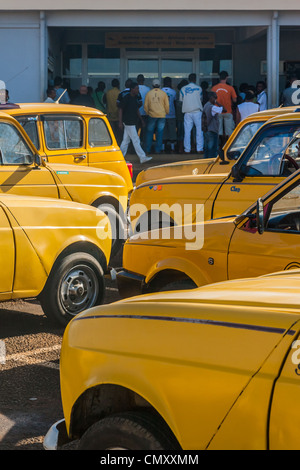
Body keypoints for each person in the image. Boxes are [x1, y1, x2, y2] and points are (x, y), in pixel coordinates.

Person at [119, 81, 152, 164]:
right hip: (128, 121)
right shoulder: (126, 98)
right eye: (137, 88)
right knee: (136, 140)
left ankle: (120, 158)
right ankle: (142, 157)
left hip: (131, 121)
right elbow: (120, 109)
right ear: (132, 89)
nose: (138, 90)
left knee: (125, 141)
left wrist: (141, 119)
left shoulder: (135, 97)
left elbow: (137, 109)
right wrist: (120, 122)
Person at [179, 73, 204, 154]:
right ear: (195, 79)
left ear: (189, 79)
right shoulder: (199, 88)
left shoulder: (183, 89)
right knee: (199, 131)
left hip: (187, 112)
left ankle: (187, 149)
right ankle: (199, 149)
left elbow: (181, 100)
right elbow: (201, 99)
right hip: (197, 112)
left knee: (187, 132)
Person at [144, 79, 169, 154]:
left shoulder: (149, 93)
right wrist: (166, 112)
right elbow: (167, 105)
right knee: (160, 133)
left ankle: (148, 149)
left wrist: (148, 113)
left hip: (152, 115)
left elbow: (145, 105)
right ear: (159, 85)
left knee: (149, 133)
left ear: (152, 85)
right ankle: (158, 150)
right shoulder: (163, 93)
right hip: (161, 115)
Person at [212, 71, 237, 145]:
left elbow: (211, 99)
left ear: (219, 77)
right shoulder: (230, 88)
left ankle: (218, 147)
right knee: (229, 132)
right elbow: (235, 100)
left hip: (217, 111)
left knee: (218, 131)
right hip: (228, 111)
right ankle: (228, 147)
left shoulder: (214, 88)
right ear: (227, 77)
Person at [202, 91, 224, 159]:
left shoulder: (206, 105)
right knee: (213, 148)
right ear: (212, 98)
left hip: (206, 129)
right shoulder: (213, 107)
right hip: (212, 129)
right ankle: (211, 161)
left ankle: (206, 160)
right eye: (215, 98)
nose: (216, 99)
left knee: (207, 148)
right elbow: (224, 109)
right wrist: (217, 103)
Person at [161, 77, 177, 153]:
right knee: (172, 132)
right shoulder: (173, 92)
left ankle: (163, 148)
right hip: (171, 114)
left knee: (163, 132)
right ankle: (172, 148)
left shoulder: (160, 91)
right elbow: (175, 103)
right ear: (170, 83)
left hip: (162, 114)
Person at [104, 79, 121, 144]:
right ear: (118, 85)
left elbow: (105, 102)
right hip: (118, 116)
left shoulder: (108, 93)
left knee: (111, 133)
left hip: (110, 115)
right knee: (118, 134)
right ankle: (118, 144)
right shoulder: (120, 92)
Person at [137, 74, 150, 148]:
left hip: (136, 113)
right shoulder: (147, 89)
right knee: (144, 132)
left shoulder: (134, 89)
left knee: (135, 131)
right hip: (145, 113)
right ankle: (143, 146)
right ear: (143, 80)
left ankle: (136, 146)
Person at [175, 79, 188, 153]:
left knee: (180, 133)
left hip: (179, 116)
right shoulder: (187, 94)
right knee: (186, 132)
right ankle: (183, 147)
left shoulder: (178, 93)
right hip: (185, 115)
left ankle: (180, 147)